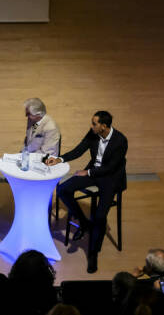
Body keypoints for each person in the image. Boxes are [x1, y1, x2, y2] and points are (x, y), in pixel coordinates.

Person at [47, 110, 128, 274]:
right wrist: (60, 159)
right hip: (93, 172)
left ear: (103, 126)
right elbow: (79, 150)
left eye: (94, 123)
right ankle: (84, 223)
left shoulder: (120, 140)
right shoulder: (93, 133)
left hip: (110, 178)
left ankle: (93, 254)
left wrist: (88, 173)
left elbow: (111, 168)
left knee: (99, 216)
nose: (91, 126)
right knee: (63, 189)